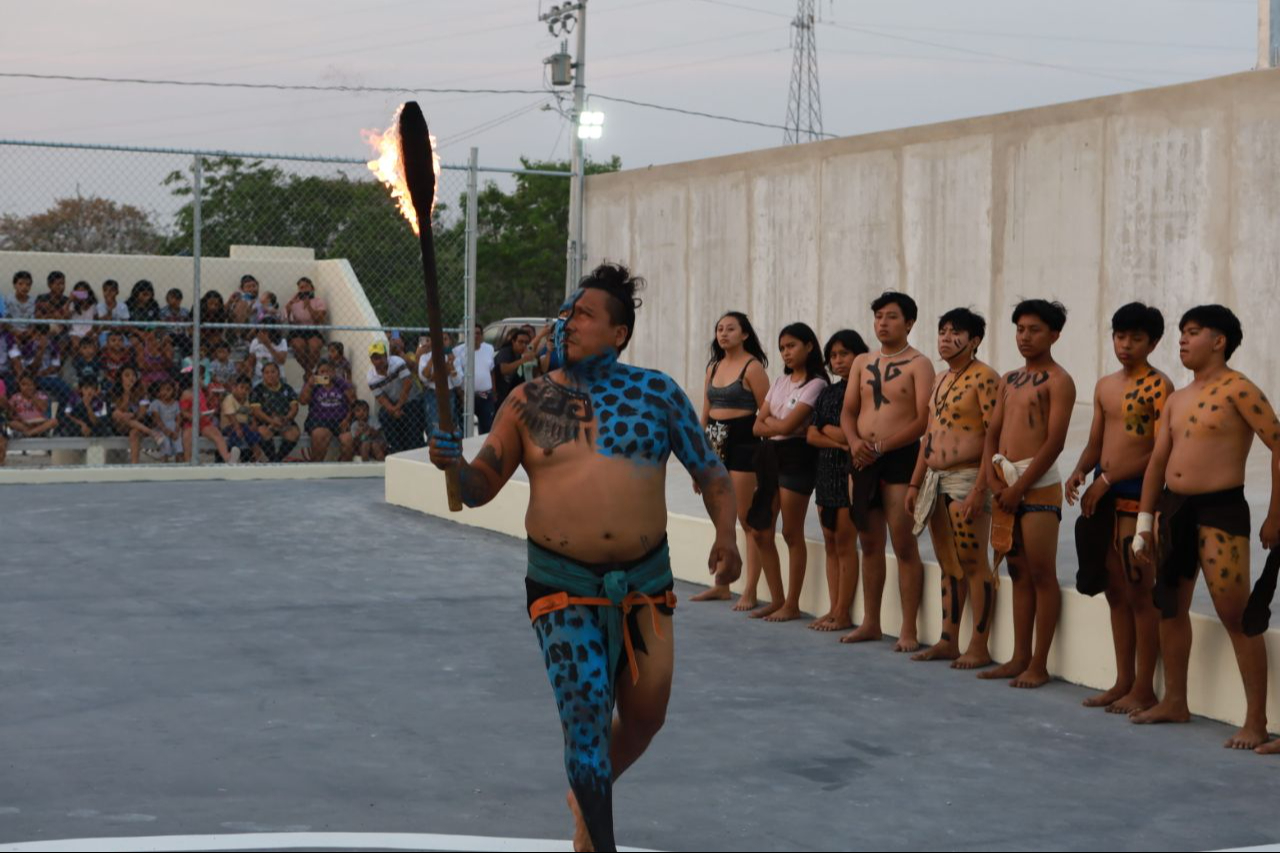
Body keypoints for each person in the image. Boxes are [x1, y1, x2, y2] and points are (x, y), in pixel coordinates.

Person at [428, 263, 741, 853]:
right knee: (587, 713)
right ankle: (596, 839)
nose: (568, 321)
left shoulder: (657, 393)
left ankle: (586, 788)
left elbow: (712, 474)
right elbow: (477, 492)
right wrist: (454, 465)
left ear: (619, 334)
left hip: (646, 586)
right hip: (561, 586)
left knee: (646, 717)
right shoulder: (526, 402)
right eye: (566, 311)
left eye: (585, 314)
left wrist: (727, 536)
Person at [1131, 305, 1280, 752]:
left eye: (1192, 333)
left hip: (1221, 511)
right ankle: (1176, 700)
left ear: (1219, 341)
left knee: (1236, 615)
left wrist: (1276, 514)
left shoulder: (1240, 390)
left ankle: (1256, 721)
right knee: (1169, 607)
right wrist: (1144, 521)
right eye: (1181, 333)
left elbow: (1279, 445)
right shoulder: (1176, 398)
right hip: (1174, 509)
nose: (1182, 340)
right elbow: (1158, 461)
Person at [1065, 303, 1171, 713]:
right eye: (1120, 336)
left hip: (1135, 497)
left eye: (1136, 339)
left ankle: (1144, 687)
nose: (1125, 345)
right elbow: (1096, 441)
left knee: (1141, 591)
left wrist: (1107, 480)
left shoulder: (1159, 387)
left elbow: (1160, 453)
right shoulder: (1106, 385)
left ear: (1153, 342)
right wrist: (1080, 470)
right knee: (1115, 592)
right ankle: (1123, 680)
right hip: (1102, 494)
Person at [979, 299, 1076, 688]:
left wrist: (1020, 486)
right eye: (1020, 329)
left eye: (1034, 330)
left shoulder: (1059, 380)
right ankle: (1019, 656)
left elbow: (1055, 441)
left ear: (1054, 334)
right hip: (1007, 484)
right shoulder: (1009, 379)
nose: (1025, 336)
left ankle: (1039, 662)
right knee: (1017, 570)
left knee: (1041, 572)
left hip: (1037, 485)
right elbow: (991, 433)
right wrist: (993, 478)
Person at [905, 308, 1001, 667]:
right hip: (935, 479)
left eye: (955, 332)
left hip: (967, 479)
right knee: (949, 564)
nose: (945, 338)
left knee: (975, 564)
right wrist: (915, 482)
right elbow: (928, 433)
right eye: (942, 330)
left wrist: (981, 488)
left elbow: (994, 435)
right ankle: (949, 639)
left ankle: (979, 645)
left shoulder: (985, 378)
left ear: (974, 341)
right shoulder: (942, 379)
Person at [840, 291, 935, 651]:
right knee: (868, 542)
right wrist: (853, 442)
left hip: (899, 457)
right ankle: (871, 622)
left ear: (909, 323)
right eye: (879, 316)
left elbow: (923, 417)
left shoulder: (919, 363)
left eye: (891, 316)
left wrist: (883, 446)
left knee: (904, 542)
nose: (883, 322)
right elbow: (849, 411)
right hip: (862, 457)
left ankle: (908, 628)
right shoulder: (862, 361)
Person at [746, 322, 828, 622]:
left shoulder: (816, 384)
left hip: (797, 457)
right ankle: (777, 598)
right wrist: (774, 425)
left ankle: (792, 603)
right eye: (782, 347)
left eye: (792, 345)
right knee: (760, 529)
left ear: (809, 346)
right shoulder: (780, 382)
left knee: (792, 532)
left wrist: (773, 424)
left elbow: (787, 426)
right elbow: (757, 426)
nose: (786, 352)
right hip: (769, 455)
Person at [692, 311, 770, 606]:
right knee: (721, 518)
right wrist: (696, 459)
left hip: (743, 444)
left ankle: (749, 590)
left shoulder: (752, 368)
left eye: (730, 329)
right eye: (719, 329)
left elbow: (767, 410)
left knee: (746, 519)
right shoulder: (713, 368)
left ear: (745, 334)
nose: (723, 334)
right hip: (714, 442)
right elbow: (703, 414)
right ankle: (722, 584)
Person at [808, 329, 868, 631]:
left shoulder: (864, 390)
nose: (838, 360)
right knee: (830, 542)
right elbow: (811, 434)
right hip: (825, 472)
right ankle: (832, 609)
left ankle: (843, 612)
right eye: (833, 355)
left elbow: (853, 432)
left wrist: (834, 435)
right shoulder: (828, 392)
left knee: (846, 543)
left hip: (849, 473)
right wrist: (840, 441)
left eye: (844, 353)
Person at [368, 340, 425, 453]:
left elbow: (407, 384)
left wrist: (398, 406)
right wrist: (393, 409)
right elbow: (381, 398)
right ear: (371, 360)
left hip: (412, 399)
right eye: (375, 358)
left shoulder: (397, 363)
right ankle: (395, 449)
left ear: (386, 356)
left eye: (381, 357)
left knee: (413, 423)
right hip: (394, 403)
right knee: (384, 415)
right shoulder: (371, 377)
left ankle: (415, 450)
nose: (379, 361)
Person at [179, 358, 238, 464]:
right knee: (187, 436)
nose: (201, 379)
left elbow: (204, 404)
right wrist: (194, 417)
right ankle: (188, 460)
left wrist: (210, 410)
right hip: (191, 422)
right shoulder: (186, 393)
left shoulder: (200, 390)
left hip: (204, 421)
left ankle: (228, 457)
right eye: (199, 377)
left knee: (216, 433)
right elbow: (184, 412)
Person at [300, 359, 356, 462]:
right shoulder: (314, 384)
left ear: (334, 372)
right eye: (322, 372)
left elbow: (353, 402)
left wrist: (347, 419)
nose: (325, 374)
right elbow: (303, 401)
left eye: (328, 371)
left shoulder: (340, 383)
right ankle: (316, 467)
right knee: (320, 434)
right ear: (317, 373)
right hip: (318, 420)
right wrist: (309, 385)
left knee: (348, 440)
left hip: (340, 420)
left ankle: (339, 470)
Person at [250, 362, 301, 463]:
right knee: (262, 432)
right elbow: (257, 412)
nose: (270, 375)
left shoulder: (287, 388)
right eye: (267, 372)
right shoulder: (257, 390)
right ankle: (275, 460)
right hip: (266, 422)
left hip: (285, 421)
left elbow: (294, 407)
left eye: (273, 372)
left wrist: (286, 418)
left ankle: (276, 460)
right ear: (263, 375)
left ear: (278, 373)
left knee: (294, 434)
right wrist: (271, 421)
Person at [454, 322, 497, 434]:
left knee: (487, 426)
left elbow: (491, 371)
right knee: (466, 428)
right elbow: (456, 375)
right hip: (467, 395)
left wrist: (494, 391)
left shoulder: (489, 349)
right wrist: (461, 396)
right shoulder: (458, 351)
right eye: (472, 333)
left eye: (478, 333)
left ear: (482, 336)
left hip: (484, 394)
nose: (475, 336)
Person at [416, 334, 462, 435]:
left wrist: (451, 365)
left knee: (449, 425)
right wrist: (434, 358)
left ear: (450, 341)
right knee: (433, 425)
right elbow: (424, 377)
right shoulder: (425, 357)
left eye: (445, 339)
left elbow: (458, 381)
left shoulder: (455, 359)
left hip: (449, 394)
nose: (442, 343)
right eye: (439, 340)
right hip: (432, 394)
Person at [286, 277, 328, 377]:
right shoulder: (294, 303)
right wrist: (289, 308)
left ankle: (308, 373)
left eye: (306, 287)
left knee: (314, 346)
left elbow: (319, 320)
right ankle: (309, 372)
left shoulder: (318, 301)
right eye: (301, 288)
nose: (303, 290)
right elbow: (290, 322)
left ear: (312, 288)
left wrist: (308, 306)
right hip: (297, 331)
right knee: (299, 345)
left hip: (313, 330)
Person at [111, 365, 154, 465]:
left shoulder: (141, 390)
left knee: (134, 432)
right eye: (127, 375)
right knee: (118, 415)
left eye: (133, 375)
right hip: (121, 425)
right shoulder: (114, 391)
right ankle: (152, 432)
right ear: (120, 378)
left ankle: (134, 464)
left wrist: (132, 415)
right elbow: (117, 413)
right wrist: (127, 393)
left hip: (139, 424)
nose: (131, 378)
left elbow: (142, 413)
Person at [221, 375, 267, 463]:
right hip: (229, 426)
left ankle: (249, 455)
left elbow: (251, 414)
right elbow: (231, 417)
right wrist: (237, 428)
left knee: (252, 430)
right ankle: (248, 451)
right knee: (241, 429)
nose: (244, 391)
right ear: (234, 387)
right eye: (241, 387)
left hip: (244, 428)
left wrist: (253, 423)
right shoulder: (229, 399)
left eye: (247, 389)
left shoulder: (247, 400)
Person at [493, 328, 536, 410]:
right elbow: (504, 369)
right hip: (497, 393)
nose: (524, 345)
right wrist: (523, 360)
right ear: (513, 341)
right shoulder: (506, 352)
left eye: (526, 343)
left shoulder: (520, 354)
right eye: (520, 342)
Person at [35, 271, 72, 355]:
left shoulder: (66, 300)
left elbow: (86, 294)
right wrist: (56, 315)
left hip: (62, 331)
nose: (61, 287)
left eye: (63, 283)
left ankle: (56, 365)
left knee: (64, 341)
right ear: (50, 285)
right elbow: (38, 316)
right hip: (44, 330)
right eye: (58, 284)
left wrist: (50, 312)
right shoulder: (42, 298)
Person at [149, 379, 183, 463]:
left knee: (178, 443)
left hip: (173, 427)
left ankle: (179, 466)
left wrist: (176, 430)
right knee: (165, 443)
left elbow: (178, 418)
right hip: (160, 428)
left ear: (173, 391)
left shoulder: (175, 403)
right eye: (162, 389)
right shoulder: (156, 403)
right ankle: (164, 465)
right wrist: (165, 430)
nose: (165, 392)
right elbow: (157, 419)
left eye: (168, 390)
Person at [248, 319, 289, 385]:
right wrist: (249, 380)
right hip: (260, 377)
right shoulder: (255, 342)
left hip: (278, 377)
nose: (260, 333)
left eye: (264, 331)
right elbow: (251, 364)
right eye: (260, 331)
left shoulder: (282, 342)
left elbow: (281, 360)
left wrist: (268, 345)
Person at [95, 279, 130, 347]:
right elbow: (104, 324)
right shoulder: (100, 306)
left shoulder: (123, 306)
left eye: (111, 290)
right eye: (105, 290)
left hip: (119, 333)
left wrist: (118, 329)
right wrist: (110, 311)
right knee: (106, 346)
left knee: (127, 347)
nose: (108, 293)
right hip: (104, 333)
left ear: (117, 292)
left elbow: (126, 325)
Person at [160, 288, 192, 358]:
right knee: (168, 345)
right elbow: (161, 327)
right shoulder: (163, 312)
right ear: (167, 300)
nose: (175, 300)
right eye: (172, 298)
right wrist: (163, 336)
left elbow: (189, 326)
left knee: (187, 343)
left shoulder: (185, 312)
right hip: (169, 335)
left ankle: (188, 363)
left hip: (181, 335)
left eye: (178, 299)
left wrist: (190, 335)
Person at [68, 282, 98, 349]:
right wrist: (70, 300)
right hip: (76, 332)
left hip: (89, 332)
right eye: (78, 292)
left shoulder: (93, 306)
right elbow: (65, 315)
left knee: (94, 345)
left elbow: (96, 322)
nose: (81, 294)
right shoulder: (73, 305)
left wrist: (92, 331)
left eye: (83, 292)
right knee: (76, 345)